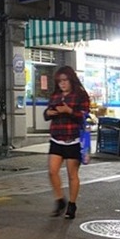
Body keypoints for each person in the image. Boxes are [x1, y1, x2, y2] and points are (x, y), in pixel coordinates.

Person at [44, 65, 90, 219]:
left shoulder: (80, 95)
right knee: (52, 171)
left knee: (72, 174)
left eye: (65, 80)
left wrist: (69, 111)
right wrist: (49, 112)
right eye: (59, 81)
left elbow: (84, 116)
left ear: (71, 79)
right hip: (56, 137)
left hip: (74, 138)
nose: (62, 84)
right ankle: (59, 200)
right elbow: (47, 113)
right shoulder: (56, 96)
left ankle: (72, 204)